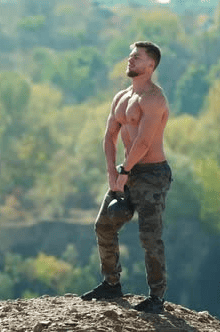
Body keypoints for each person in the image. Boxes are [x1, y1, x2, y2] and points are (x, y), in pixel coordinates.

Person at [80, 41, 172, 314]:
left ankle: (156, 297)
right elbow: (109, 136)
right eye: (130, 56)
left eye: (137, 57)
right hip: (125, 171)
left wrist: (124, 171)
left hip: (152, 174)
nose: (130, 60)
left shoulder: (155, 99)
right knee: (104, 226)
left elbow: (143, 142)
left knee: (149, 236)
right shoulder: (121, 97)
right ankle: (111, 284)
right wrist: (112, 171)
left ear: (150, 65)